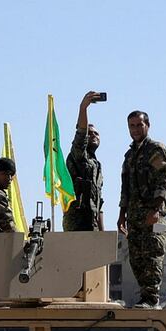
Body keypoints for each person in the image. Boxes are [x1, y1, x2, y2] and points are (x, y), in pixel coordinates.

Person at [117, 111, 166, 308]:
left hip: (155, 217)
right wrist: (122, 215)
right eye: (131, 126)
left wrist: (155, 210)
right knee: (136, 257)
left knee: (153, 254)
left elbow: (163, 183)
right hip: (134, 216)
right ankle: (144, 297)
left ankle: (151, 298)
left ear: (147, 125)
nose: (135, 130)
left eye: (139, 125)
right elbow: (125, 189)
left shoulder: (156, 150)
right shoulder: (130, 156)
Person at [64, 91, 104, 232]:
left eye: (96, 133)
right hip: (76, 223)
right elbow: (81, 134)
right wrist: (83, 108)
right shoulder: (78, 155)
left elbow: (99, 203)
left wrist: (102, 234)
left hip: (91, 224)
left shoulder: (96, 165)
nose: (93, 135)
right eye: (90, 132)